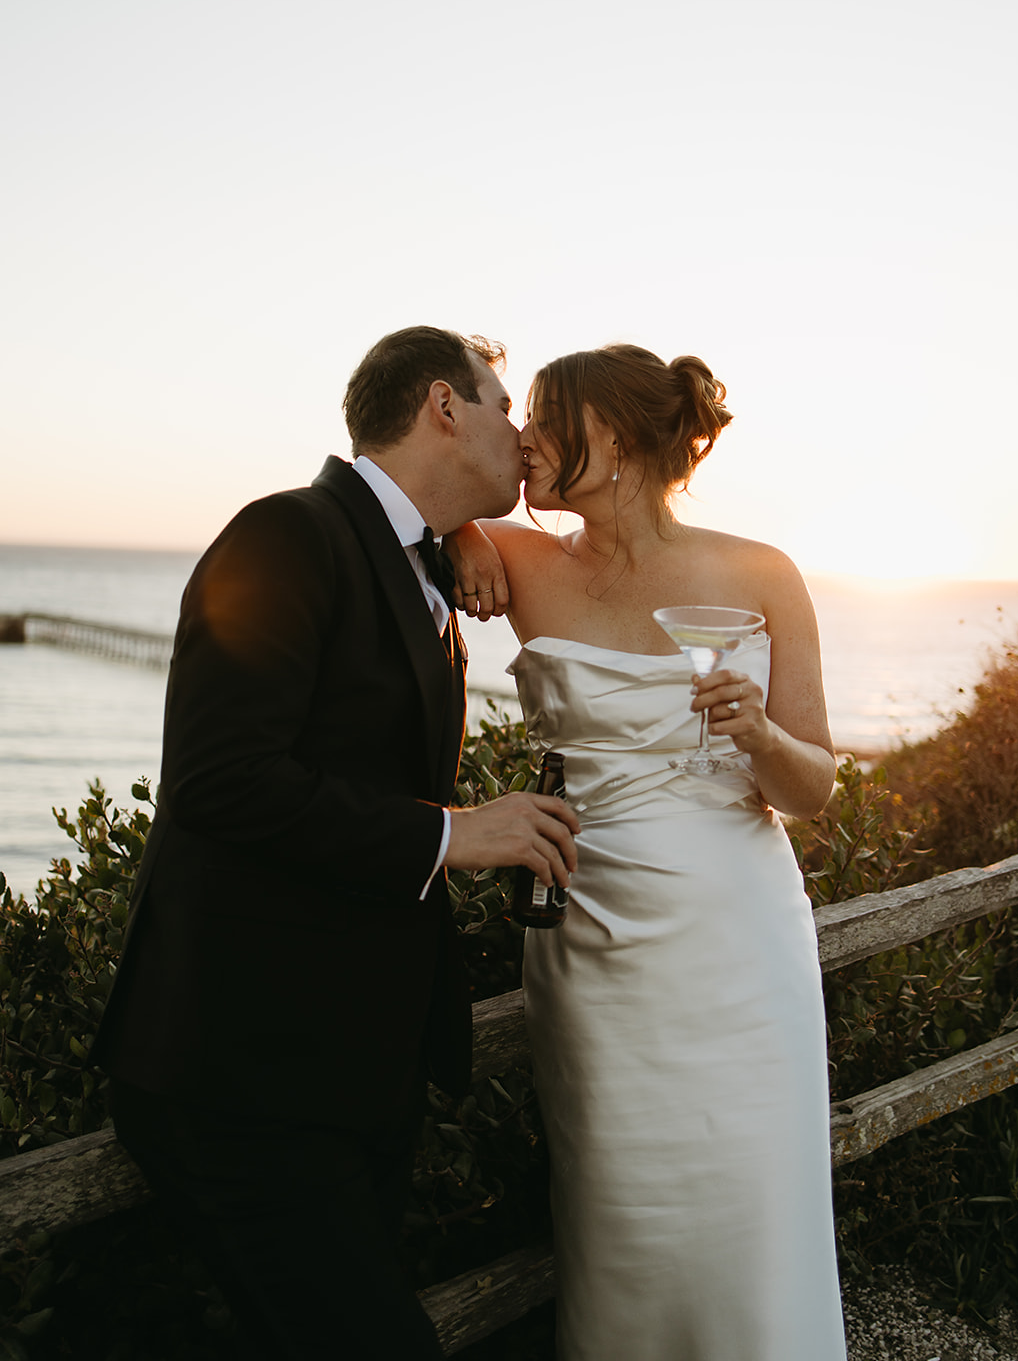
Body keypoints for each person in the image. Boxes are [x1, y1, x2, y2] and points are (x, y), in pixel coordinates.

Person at [92, 326, 580, 1361]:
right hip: (237, 1073)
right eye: (504, 404)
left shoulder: (424, 561)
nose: (522, 429)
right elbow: (220, 779)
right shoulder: (284, 535)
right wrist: (454, 834)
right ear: (443, 405)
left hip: (354, 1072)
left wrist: (465, 541)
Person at [447, 343, 848, 1361]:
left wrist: (758, 734)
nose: (525, 436)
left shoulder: (763, 574)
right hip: (589, 935)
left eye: (547, 415)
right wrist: (459, 535)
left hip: (736, 938)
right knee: (619, 1212)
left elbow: (812, 790)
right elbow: (397, 507)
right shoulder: (519, 558)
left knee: (750, 1206)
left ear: (617, 437)